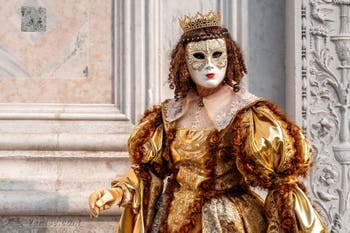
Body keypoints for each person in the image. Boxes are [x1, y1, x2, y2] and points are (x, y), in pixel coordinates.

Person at [89, 11, 327, 233]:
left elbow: (281, 183)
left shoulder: (248, 114)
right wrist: (117, 193)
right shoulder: (170, 114)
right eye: (199, 57)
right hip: (172, 217)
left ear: (230, 56)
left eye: (217, 55)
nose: (210, 65)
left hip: (227, 219)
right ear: (184, 62)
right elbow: (149, 173)